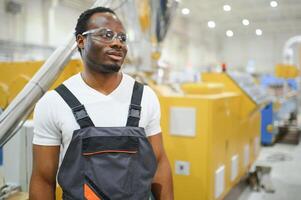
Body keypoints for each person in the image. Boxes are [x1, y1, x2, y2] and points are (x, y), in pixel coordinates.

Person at [29, 6, 173, 200]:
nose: (117, 43)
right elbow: (42, 179)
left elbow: (159, 163)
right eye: (106, 34)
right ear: (81, 40)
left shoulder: (145, 97)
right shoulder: (54, 102)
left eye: (122, 38)